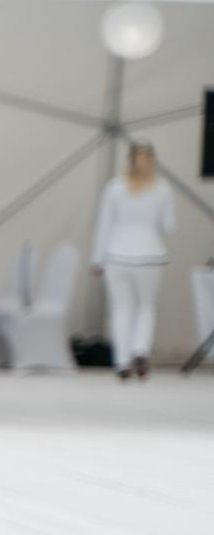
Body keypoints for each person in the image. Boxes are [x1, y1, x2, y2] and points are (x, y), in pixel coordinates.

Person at [92, 138, 175, 381]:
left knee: (121, 309)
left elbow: (104, 225)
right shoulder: (162, 188)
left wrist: (97, 258)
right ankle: (140, 349)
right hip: (150, 254)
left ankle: (121, 360)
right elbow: (169, 225)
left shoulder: (115, 187)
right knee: (146, 306)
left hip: (116, 255)